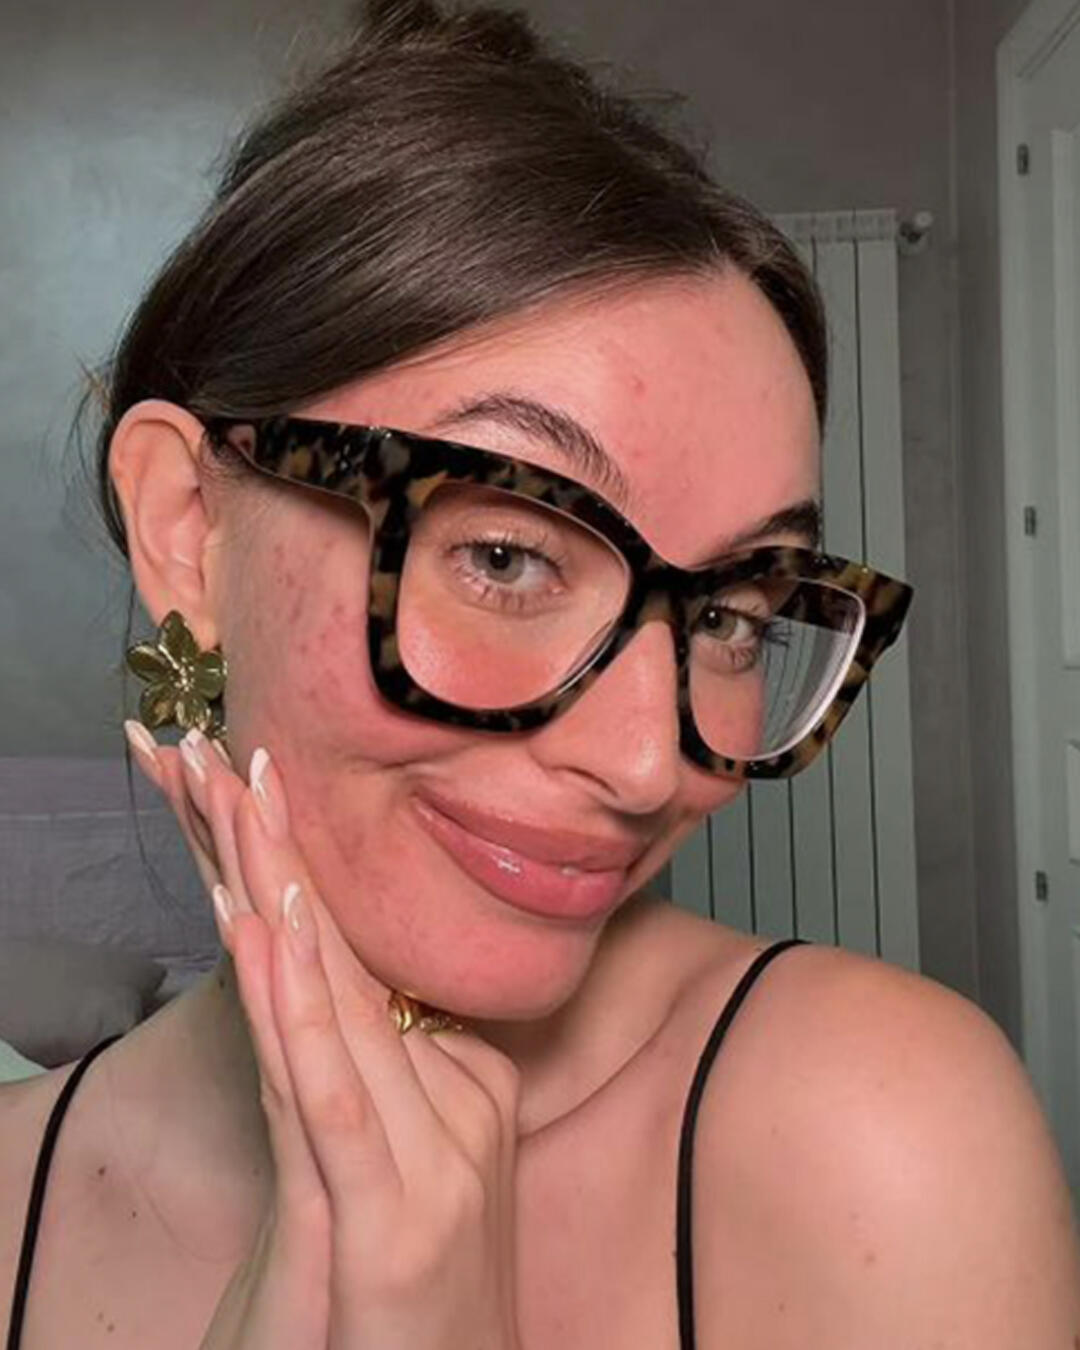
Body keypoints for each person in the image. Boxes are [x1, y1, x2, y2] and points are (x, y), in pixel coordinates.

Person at [2, 1, 1078, 1346]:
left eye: (732, 614)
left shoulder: (885, 1141)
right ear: (188, 528)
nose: (650, 765)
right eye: (506, 556)